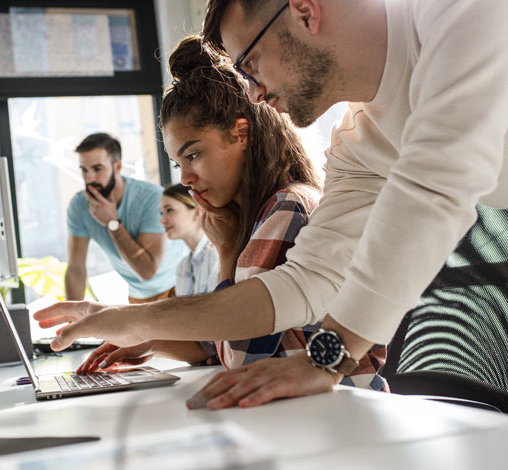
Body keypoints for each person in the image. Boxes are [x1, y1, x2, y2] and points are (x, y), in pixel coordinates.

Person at [38, 0, 507, 409]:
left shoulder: (458, 11)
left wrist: (327, 360)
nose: (254, 92)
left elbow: (435, 185)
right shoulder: (360, 143)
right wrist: (135, 321)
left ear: (304, 11)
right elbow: (305, 282)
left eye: (250, 63)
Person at [55, 37, 386, 392]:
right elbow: (219, 342)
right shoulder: (259, 213)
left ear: (240, 133)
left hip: (349, 408)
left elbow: (240, 356)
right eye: (177, 163)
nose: (184, 178)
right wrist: (152, 340)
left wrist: (226, 253)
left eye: (193, 155)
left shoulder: (287, 207)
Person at [65, 132, 186, 304]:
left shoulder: (151, 198)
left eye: (97, 169)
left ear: (117, 167)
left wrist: (112, 223)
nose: (89, 178)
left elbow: (147, 271)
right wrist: (71, 318)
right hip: (139, 297)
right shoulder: (79, 206)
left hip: (179, 287)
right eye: (84, 170)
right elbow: (76, 269)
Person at [160, 184, 219, 297]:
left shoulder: (217, 257)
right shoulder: (182, 267)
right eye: (161, 213)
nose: (162, 220)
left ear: (197, 212)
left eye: (170, 210)